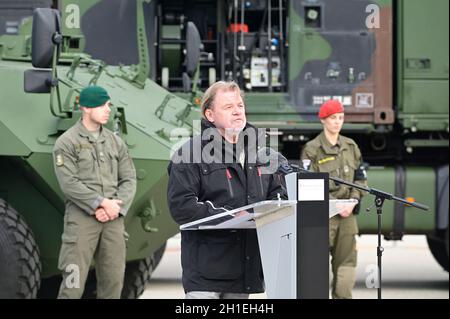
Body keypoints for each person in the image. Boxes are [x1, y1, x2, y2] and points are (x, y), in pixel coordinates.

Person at [167, 81, 287, 299]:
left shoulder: (262, 153)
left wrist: (275, 209)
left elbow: (278, 194)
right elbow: (181, 206)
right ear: (210, 115)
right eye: (228, 107)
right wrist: (230, 217)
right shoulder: (189, 154)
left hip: (244, 273)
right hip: (206, 275)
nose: (237, 111)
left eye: (240, 105)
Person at [53, 85, 137, 298]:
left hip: (113, 219)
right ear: (86, 108)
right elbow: (69, 183)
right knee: (72, 284)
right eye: (102, 105)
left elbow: (129, 179)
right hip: (81, 220)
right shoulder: (67, 142)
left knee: (113, 283)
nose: (108, 109)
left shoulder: (115, 142)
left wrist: (114, 207)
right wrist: (101, 203)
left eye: (108, 104)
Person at [301, 99, 367, 299]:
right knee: (316, 268)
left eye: (340, 117)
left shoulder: (351, 146)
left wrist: (353, 200)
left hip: (347, 217)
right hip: (323, 218)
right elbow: (307, 185)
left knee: (346, 267)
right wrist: (333, 204)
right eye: (333, 118)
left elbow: (361, 179)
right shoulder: (311, 149)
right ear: (323, 120)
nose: (337, 122)